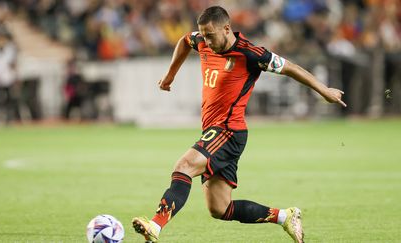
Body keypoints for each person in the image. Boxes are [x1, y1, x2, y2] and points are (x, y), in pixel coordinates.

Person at [132, 6, 346, 243]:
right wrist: (171, 74)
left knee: (183, 166)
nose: (207, 40)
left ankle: (155, 225)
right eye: (203, 35)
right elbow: (184, 41)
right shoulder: (202, 41)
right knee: (220, 209)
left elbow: (291, 68)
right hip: (214, 131)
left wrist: (324, 91)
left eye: (211, 35)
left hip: (228, 131)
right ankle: (285, 216)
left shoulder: (251, 54)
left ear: (227, 28)